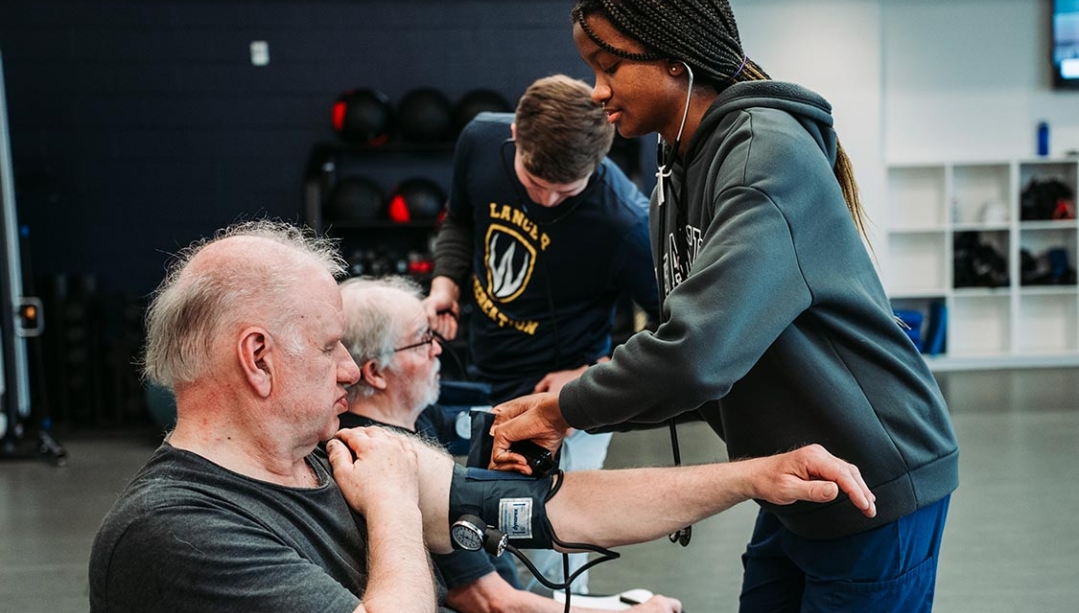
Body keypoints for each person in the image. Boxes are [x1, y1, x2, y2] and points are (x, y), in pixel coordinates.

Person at [87, 219, 876, 613]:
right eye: (329, 347)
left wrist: (750, 475)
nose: (350, 369)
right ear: (256, 358)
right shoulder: (173, 533)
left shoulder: (337, 453)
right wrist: (397, 507)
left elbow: (554, 509)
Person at [488, 3, 960, 613]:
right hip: (794, 471)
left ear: (674, 64)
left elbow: (699, 354)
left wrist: (567, 410)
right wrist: (580, 396)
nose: (597, 91)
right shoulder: (675, 167)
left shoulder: (765, 156)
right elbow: (686, 341)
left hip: (874, 475)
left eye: (608, 67)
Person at [424, 73, 660, 592]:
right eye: (534, 184)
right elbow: (460, 220)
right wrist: (446, 281)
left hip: (569, 404)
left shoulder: (625, 223)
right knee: (491, 549)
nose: (548, 202)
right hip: (493, 382)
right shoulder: (480, 141)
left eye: (566, 192)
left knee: (550, 566)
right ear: (515, 136)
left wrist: (588, 374)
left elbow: (679, 333)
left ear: (597, 165)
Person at [338, 275, 677, 613]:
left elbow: (500, 415)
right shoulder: (386, 463)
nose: (437, 348)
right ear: (376, 372)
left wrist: (576, 390)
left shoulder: (416, 420)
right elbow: (492, 602)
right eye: (422, 340)